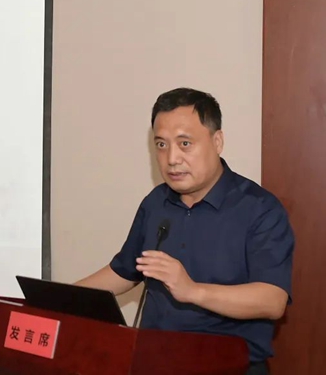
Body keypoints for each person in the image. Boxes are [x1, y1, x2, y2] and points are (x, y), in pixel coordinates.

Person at [75, 88, 294, 375]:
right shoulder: (156, 203)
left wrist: (192, 291)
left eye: (185, 143)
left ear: (217, 141)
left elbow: (272, 301)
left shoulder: (259, 209)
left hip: (229, 367)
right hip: (154, 363)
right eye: (161, 145)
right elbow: (125, 272)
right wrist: (57, 298)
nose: (172, 159)